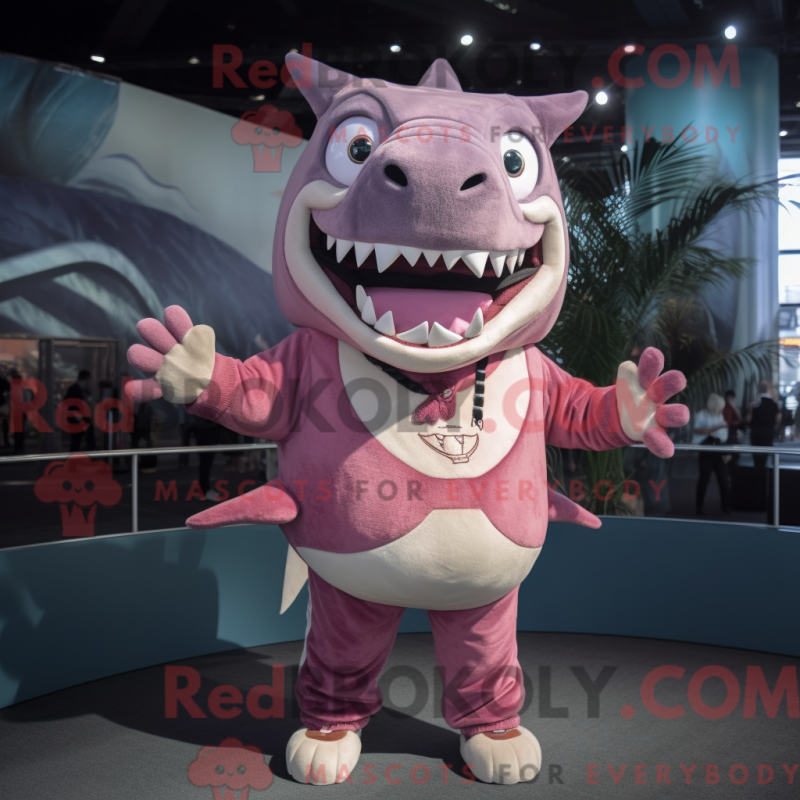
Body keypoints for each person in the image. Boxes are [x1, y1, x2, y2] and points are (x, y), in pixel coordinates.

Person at [694, 393, 730, 515]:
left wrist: (726, 451)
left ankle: (726, 506)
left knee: (723, 480)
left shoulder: (720, 416)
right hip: (706, 449)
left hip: (718, 449)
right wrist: (716, 428)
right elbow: (697, 430)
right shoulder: (701, 415)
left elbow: (723, 435)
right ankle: (699, 507)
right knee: (704, 480)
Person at [747, 380, 781, 469]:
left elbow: (748, 420)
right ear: (768, 389)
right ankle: (764, 475)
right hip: (768, 435)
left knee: (756, 460)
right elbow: (778, 419)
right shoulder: (773, 404)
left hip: (755, 434)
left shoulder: (754, 404)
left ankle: (757, 474)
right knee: (765, 459)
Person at [65, 370, 96, 452]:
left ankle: (87, 451)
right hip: (76, 418)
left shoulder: (84, 390)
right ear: (85, 379)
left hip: (80, 417)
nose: (90, 382)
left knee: (78, 438)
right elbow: (67, 403)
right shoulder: (74, 389)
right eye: (89, 379)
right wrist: (75, 414)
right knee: (77, 438)